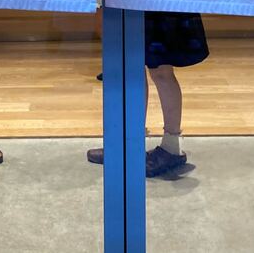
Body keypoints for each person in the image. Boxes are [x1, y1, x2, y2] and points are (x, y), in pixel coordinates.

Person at [88, 10, 210, 177]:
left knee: (161, 70)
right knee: (131, 67)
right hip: (130, 1)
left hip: (156, 2)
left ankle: (172, 148)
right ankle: (131, 142)